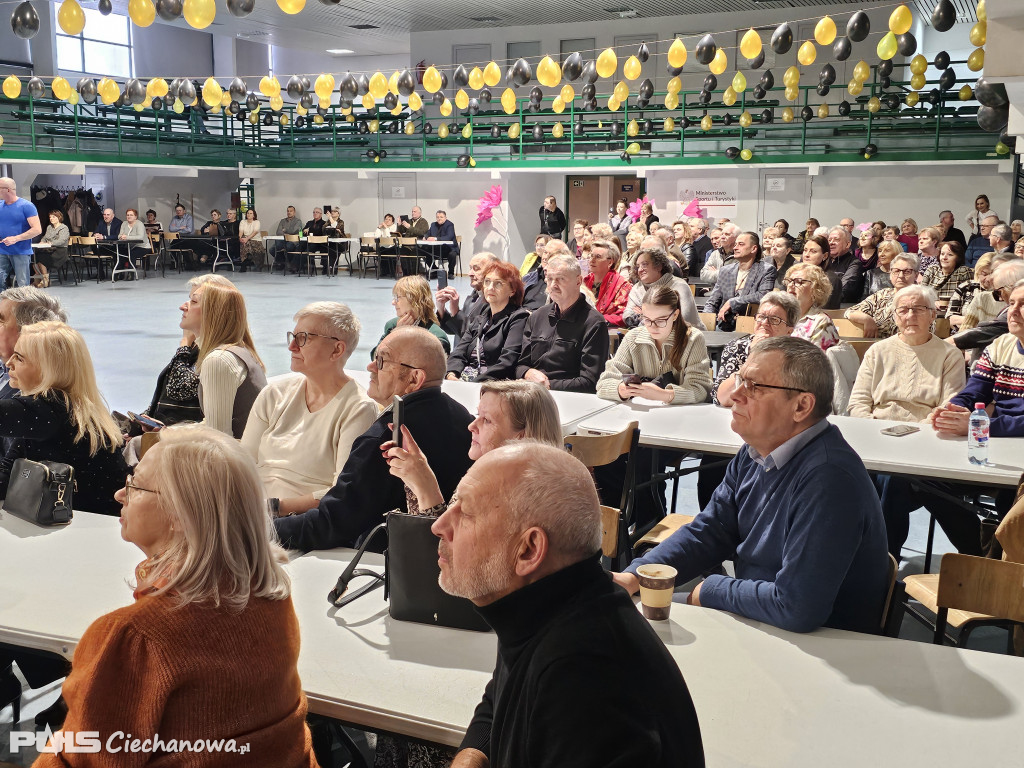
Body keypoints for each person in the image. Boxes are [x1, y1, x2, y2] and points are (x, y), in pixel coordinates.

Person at [32, 425, 318, 768]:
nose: (120, 496)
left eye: (134, 485)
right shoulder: (270, 595)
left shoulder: (135, 638)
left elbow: (84, 761)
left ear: (181, 514)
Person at [437, 442, 705, 768]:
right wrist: (472, 756)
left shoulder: (582, 677)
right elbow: (503, 690)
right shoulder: (541, 604)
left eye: (465, 513)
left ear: (529, 550)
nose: (440, 525)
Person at [614, 336, 890, 634]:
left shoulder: (830, 479)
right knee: (624, 623)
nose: (734, 395)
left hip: (823, 645)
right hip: (760, 620)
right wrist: (636, 576)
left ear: (801, 406)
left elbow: (797, 607)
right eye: (740, 380)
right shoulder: (757, 450)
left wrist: (710, 590)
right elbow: (711, 531)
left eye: (754, 387)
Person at [275, 327, 474, 552]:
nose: (370, 367)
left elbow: (330, 524)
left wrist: (262, 529)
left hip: (390, 559)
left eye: (381, 361)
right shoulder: (463, 417)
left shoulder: (386, 437)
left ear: (415, 378)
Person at [242, 302, 377, 518]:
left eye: (304, 338)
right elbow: (243, 463)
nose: (292, 346)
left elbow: (342, 491)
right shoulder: (275, 394)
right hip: (250, 512)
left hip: (297, 523)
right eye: (293, 336)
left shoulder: (358, 409)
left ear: (337, 349)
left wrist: (275, 508)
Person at [0, 321, 126, 515]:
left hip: (94, 527)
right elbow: (7, 476)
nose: (9, 363)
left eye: (20, 358)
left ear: (48, 370)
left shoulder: (52, 410)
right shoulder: (67, 407)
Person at [383, 380, 562, 516]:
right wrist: (415, 478)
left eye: (487, 420)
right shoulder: (485, 477)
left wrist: (426, 488)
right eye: (478, 415)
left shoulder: (511, 499)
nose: (471, 426)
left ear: (522, 436)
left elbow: (443, 557)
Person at [848, 285, 966, 423]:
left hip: (925, 433)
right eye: (903, 310)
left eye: (918, 309)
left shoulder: (950, 356)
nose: (910, 316)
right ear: (895, 317)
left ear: (932, 315)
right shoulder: (877, 351)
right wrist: (872, 427)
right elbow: (858, 402)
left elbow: (947, 407)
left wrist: (917, 432)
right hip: (876, 428)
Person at [597, 285, 712, 404]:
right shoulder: (632, 338)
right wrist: (621, 390)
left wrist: (664, 395)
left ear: (675, 315)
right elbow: (603, 384)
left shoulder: (693, 339)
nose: (652, 326)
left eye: (660, 320)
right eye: (646, 319)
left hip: (681, 416)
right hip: (641, 415)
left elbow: (701, 389)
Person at [516, 253, 609, 393]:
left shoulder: (594, 323)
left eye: (560, 279)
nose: (553, 285)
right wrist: (527, 373)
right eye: (550, 279)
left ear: (578, 281)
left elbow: (590, 381)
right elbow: (521, 365)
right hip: (531, 394)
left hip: (569, 399)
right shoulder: (537, 316)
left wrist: (547, 386)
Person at [187, 279, 267, 438]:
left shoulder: (219, 360)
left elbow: (218, 437)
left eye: (193, 301)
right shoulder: (240, 351)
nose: (183, 306)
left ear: (213, 314)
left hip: (239, 457)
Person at [711, 290, 799, 405]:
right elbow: (721, 398)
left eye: (774, 320)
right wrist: (753, 358)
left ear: (789, 331)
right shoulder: (737, 347)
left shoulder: (797, 356)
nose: (764, 323)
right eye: (761, 317)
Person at [446, 261, 530, 382]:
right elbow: (459, 352)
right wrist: (451, 374)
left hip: (494, 384)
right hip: (466, 380)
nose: (490, 287)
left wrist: (473, 384)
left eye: (498, 284)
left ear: (512, 291)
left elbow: (507, 362)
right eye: (487, 282)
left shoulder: (518, 318)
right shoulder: (480, 319)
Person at [947, 258, 1024, 353]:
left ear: (1013, 287)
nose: (1000, 298)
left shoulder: (1012, 312)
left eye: (998, 292)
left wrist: (940, 345)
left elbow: (986, 332)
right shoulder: (1003, 307)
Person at [703, 231, 776, 331]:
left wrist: (732, 302)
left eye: (741, 244)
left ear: (753, 248)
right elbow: (712, 302)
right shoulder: (726, 270)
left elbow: (763, 295)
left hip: (750, 325)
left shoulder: (766, 270)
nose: (735, 248)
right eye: (736, 244)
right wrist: (707, 321)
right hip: (724, 324)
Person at [623, 244, 703, 329]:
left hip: (686, 335)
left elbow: (680, 318)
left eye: (644, 264)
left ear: (658, 266)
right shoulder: (637, 288)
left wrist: (644, 315)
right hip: (648, 334)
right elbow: (628, 314)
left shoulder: (679, 286)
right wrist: (654, 316)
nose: (640, 270)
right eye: (638, 266)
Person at [372, 275, 451, 357]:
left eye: (397, 298)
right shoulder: (392, 325)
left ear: (414, 300)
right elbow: (375, 357)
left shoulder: (436, 336)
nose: (393, 302)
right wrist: (395, 334)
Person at [844, 253, 920, 338]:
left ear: (916, 275)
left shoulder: (921, 299)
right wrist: (867, 320)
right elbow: (849, 312)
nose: (901, 276)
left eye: (907, 272)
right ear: (890, 274)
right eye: (896, 271)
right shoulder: (882, 294)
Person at [436, 252, 500, 341]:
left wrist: (455, 310)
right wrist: (441, 307)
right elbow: (454, 329)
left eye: (476, 269)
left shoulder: (493, 301)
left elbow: (474, 337)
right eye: (470, 268)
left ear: (492, 271)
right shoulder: (475, 294)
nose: (470, 273)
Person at [784, 264, 841, 349]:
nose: (791, 285)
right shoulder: (779, 315)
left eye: (799, 281)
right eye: (789, 281)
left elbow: (818, 360)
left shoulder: (821, 322)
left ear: (815, 288)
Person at [583, 239, 631, 327]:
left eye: (598, 257)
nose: (592, 260)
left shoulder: (622, 285)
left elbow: (623, 315)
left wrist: (597, 319)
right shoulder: (584, 282)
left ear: (610, 262)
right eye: (591, 256)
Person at [949, 252, 999, 330]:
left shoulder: (1002, 292)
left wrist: (966, 320)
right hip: (961, 333)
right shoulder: (965, 287)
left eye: (992, 274)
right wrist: (980, 321)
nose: (988, 279)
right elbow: (951, 319)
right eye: (984, 274)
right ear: (978, 272)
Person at [920, 241, 972, 311]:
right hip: (931, 312)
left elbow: (970, 297)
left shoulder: (963, 271)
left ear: (958, 258)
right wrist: (933, 302)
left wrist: (953, 304)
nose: (944, 258)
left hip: (954, 313)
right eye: (942, 254)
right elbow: (922, 294)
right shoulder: (932, 270)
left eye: (950, 255)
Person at [826, 226, 863, 303]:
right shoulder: (823, 260)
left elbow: (844, 290)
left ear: (847, 244)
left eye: (836, 239)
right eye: (829, 240)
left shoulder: (854, 263)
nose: (831, 242)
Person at [35, 210, 70, 288]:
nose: (51, 219)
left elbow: (61, 241)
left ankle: (45, 279)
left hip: (60, 251)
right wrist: (42, 242)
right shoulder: (49, 227)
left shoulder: (64, 228)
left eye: (53, 217)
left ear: (59, 217)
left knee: (41, 258)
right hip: (50, 249)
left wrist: (50, 243)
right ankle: (40, 277)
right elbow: (45, 237)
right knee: (35, 256)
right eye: (50, 217)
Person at [699, 222, 738, 287]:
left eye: (717, 238)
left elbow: (735, 276)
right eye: (711, 239)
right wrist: (723, 273)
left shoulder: (739, 253)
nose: (714, 242)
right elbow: (703, 274)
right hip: (715, 291)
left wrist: (716, 272)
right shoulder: (714, 254)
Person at [424, 209, 459, 278]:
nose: (439, 219)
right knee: (424, 251)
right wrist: (425, 237)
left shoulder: (450, 225)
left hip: (448, 248)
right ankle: (435, 270)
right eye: (437, 217)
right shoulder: (433, 224)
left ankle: (451, 273)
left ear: (445, 218)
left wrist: (435, 239)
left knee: (452, 254)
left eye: (441, 217)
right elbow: (428, 233)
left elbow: (449, 236)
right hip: (437, 248)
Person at [118, 207, 150, 272]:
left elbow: (140, 237)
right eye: (128, 215)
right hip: (130, 246)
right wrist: (121, 237)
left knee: (132, 253)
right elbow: (119, 235)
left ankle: (131, 273)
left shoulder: (139, 224)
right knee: (119, 252)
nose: (129, 216)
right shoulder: (124, 223)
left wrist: (126, 237)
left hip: (143, 247)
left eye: (131, 215)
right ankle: (119, 273)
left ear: (135, 216)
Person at [238, 207, 266, 272]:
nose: (249, 214)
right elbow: (241, 232)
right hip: (245, 240)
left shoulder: (257, 222)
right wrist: (240, 238)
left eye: (251, 213)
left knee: (246, 243)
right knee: (244, 243)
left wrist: (247, 238)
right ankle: (245, 262)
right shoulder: (243, 222)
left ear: (254, 215)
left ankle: (245, 262)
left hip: (256, 240)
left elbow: (255, 232)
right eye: (248, 213)